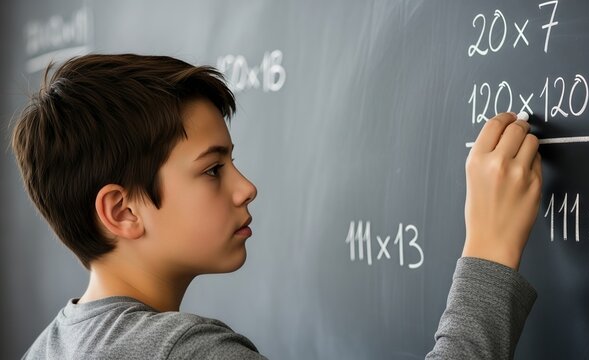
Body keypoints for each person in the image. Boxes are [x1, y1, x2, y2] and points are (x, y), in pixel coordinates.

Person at [12, 54, 540, 359]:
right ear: (122, 211)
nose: (246, 188)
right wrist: (489, 254)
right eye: (213, 170)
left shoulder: (49, 348)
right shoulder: (186, 353)